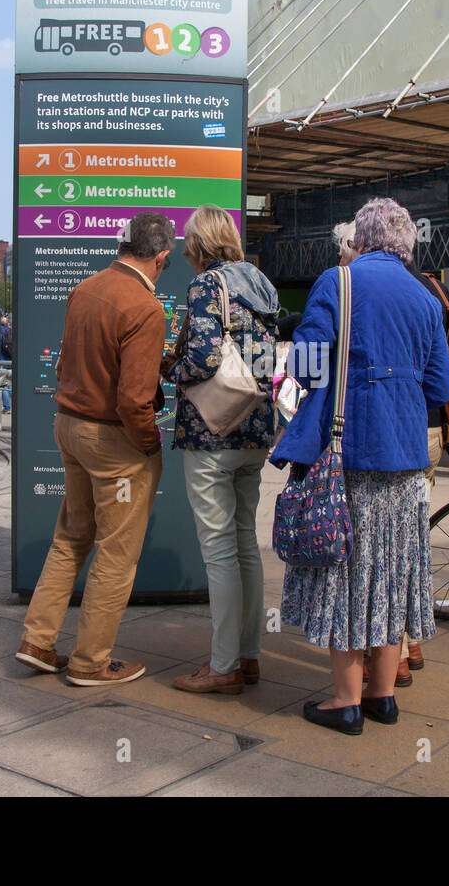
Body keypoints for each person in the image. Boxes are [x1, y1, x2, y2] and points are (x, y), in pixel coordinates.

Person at [273, 197, 449, 734]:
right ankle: (382, 697)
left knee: (345, 571)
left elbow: (304, 364)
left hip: (346, 455)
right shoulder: (425, 298)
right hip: (403, 461)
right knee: (390, 574)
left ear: (361, 237)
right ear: (406, 242)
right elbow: (441, 386)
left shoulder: (340, 281)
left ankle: (345, 703)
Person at [15, 211, 174, 685]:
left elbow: (76, 360)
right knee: (116, 551)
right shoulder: (146, 309)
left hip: (70, 427)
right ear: (162, 256)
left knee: (71, 536)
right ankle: (91, 662)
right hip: (113, 441)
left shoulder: (86, 289)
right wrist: (149, 444)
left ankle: (37, 641)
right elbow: (133, 398)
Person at [160, 206, 280, 695]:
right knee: (246, 543)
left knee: (219, 553)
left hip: (212, 433)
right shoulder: (261, 284)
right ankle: (249, 657)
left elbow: (206, 357)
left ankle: (224, 665)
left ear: (200, 245)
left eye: (189, 241)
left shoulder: (208, 286)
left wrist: (172, 372)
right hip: (255, 429)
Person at [0, 313, 13, 413]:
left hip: (1, 359)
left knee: (3, 384)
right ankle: (15, 405)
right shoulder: (11, 331)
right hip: (10, 358)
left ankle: (7, 407)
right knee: (11, 383)